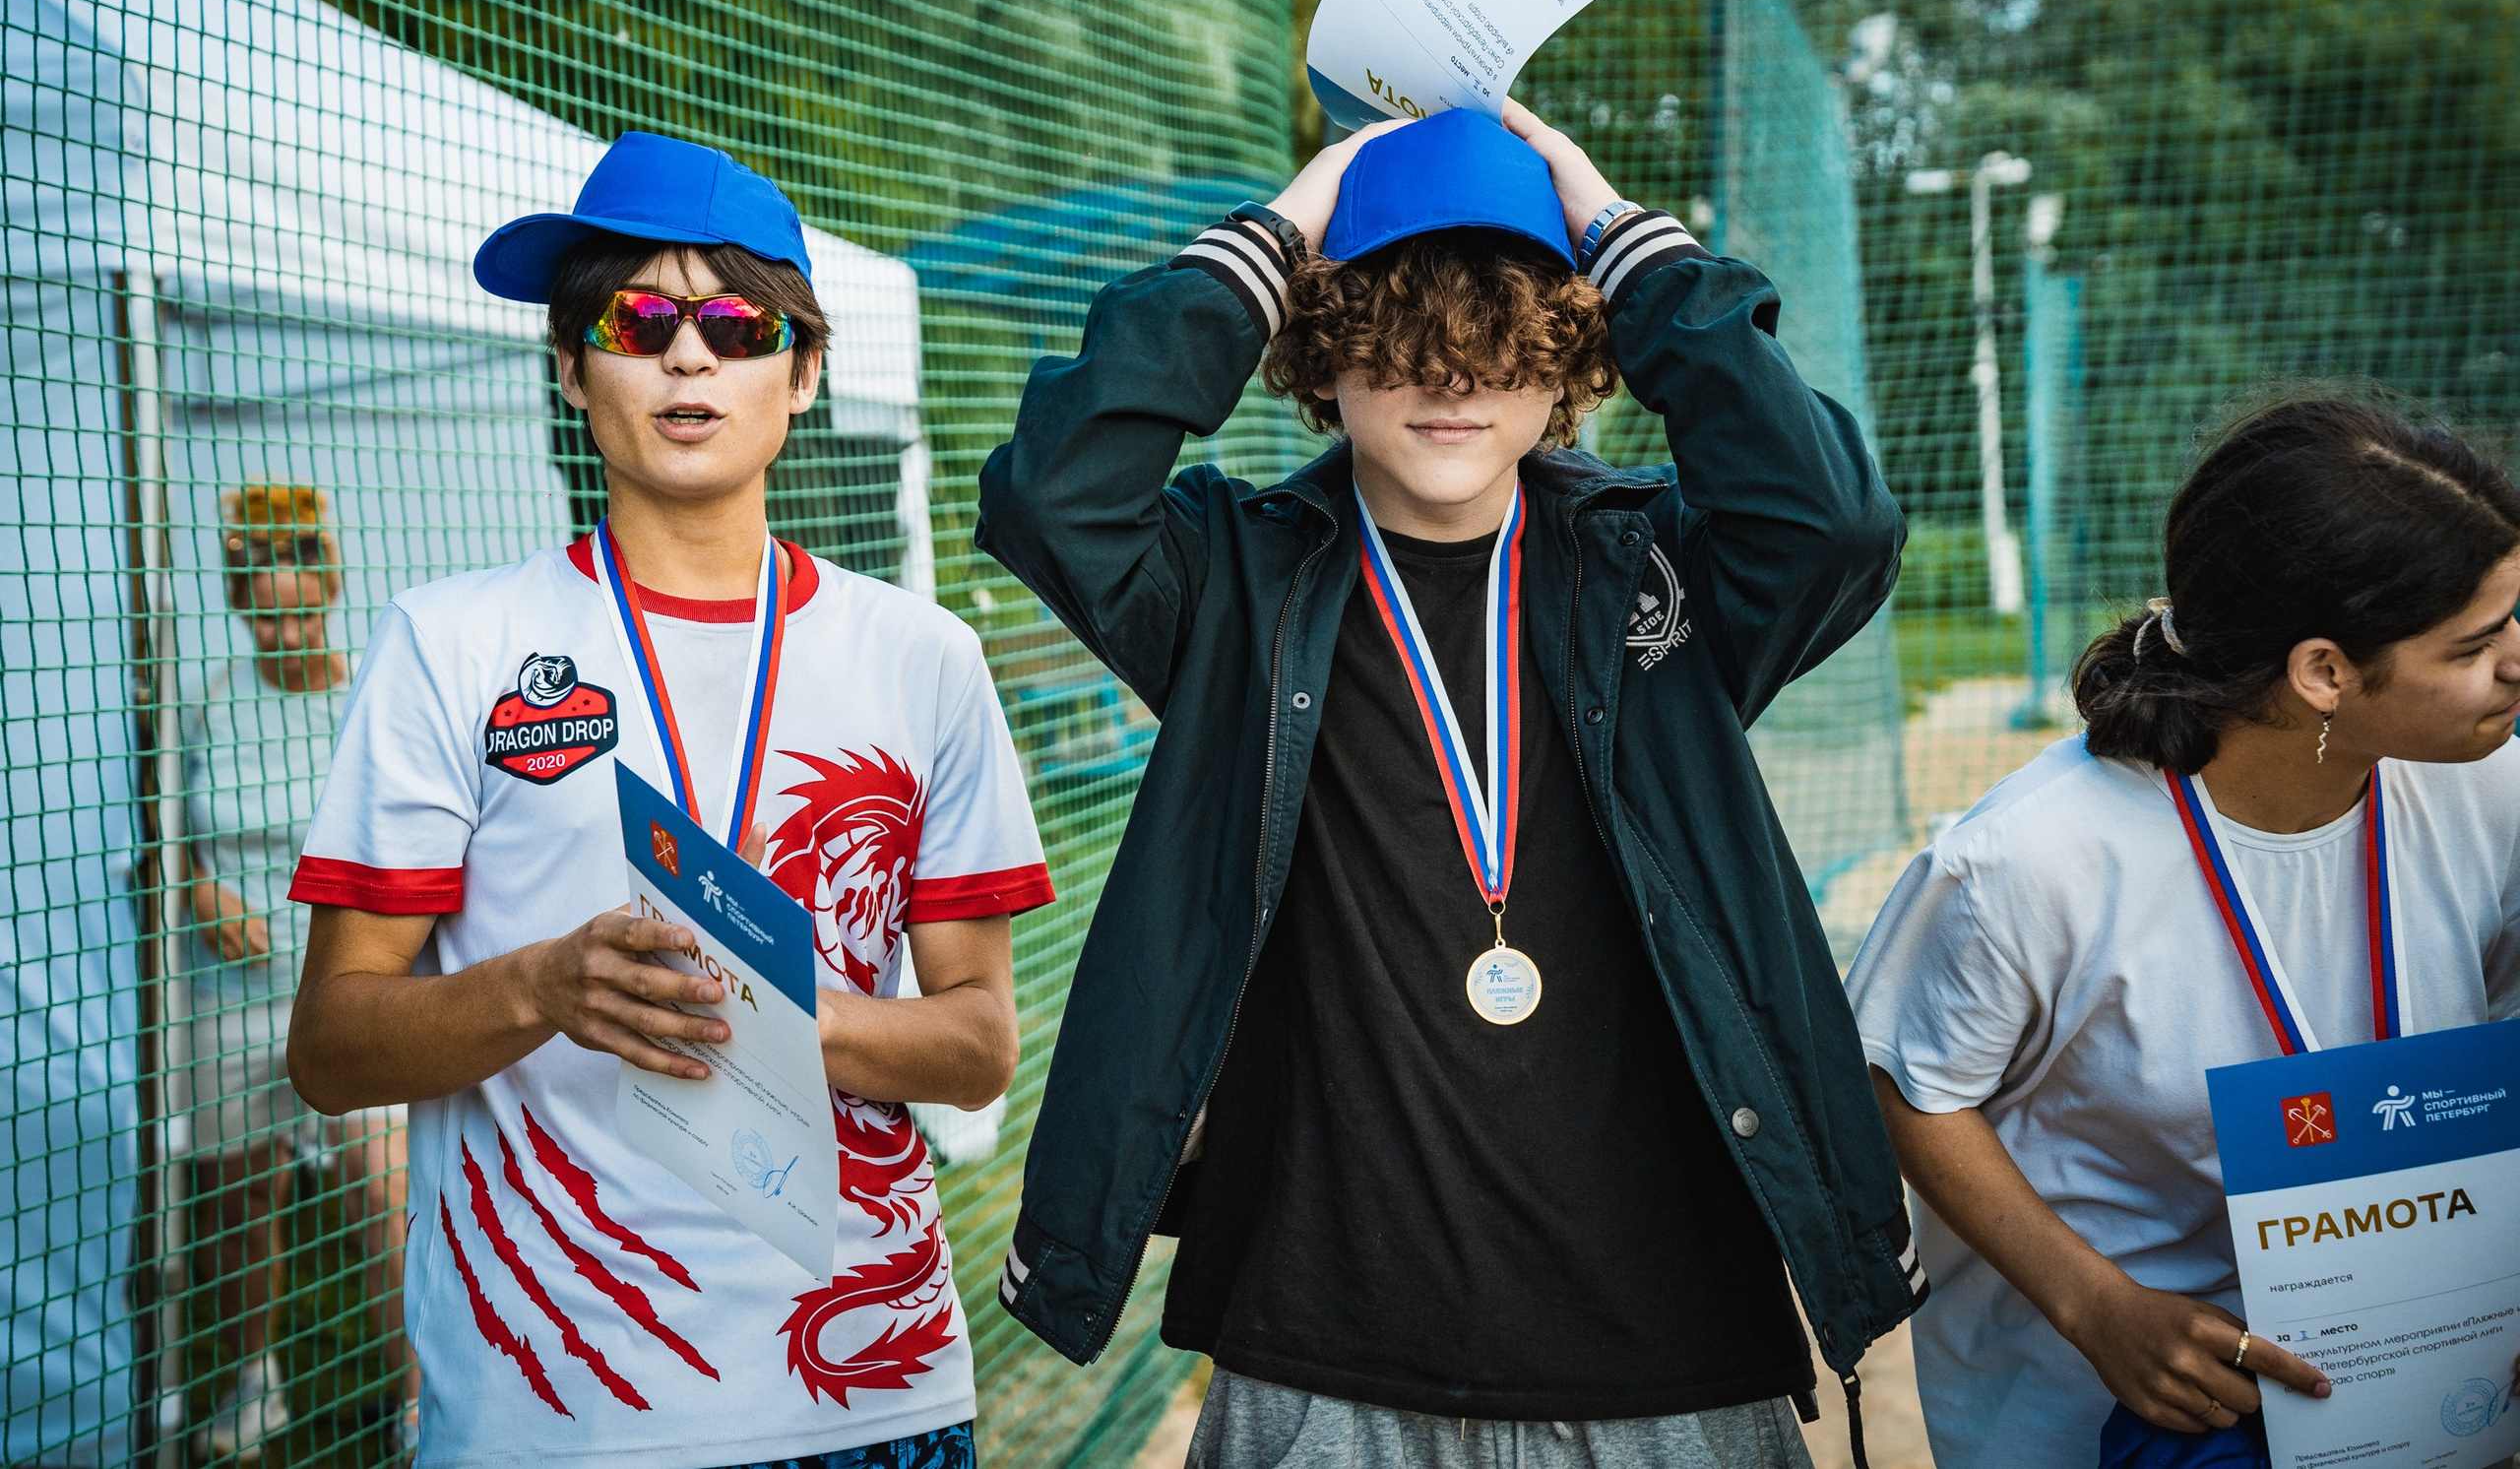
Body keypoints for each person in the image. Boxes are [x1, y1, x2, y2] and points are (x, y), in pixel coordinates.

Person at [977, 103, 1921, 1468]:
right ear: (1317, 351)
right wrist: (1284, 227)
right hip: (1323, 1348)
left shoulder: (1660, 567)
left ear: (1569, 359)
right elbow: (1053, 495)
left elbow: (1833, 516)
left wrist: (1614, 230)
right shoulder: (1230, 577)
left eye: (1504, 337)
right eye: (1394, 335)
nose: (1452, 375)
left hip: (1668, 1350)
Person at [284, 132, 1052, 1469]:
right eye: (634, 317)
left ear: (804, 373)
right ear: (570, 364)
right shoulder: (449, 642)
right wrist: (540, 985)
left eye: (737, 322)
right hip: (555, 1410)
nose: (687, 354)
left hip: (877, 1392)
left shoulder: (922, 653)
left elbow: (982, 1042)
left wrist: (773, 1013)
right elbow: (331, 1045)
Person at [1846, 398, 2520, 1468]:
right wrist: (2096, 1305)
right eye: (2478, 644)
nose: (2516, 662)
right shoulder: (2030, 858)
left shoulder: (2486, 786)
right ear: (2325, 675)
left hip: (2418, 1394)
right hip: (2109, 1423)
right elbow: (1903, 1083)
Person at [173, 482, 417, 1463]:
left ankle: (418, 1399)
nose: (281, 626)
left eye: (297, 605)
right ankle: (251, 1387)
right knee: (239, 1203)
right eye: (261, 609)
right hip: (225, 1003)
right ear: (239, 604)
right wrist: (196, 890)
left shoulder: (375, 698)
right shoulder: (213, 703)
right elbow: (160, 835)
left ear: (330, 587)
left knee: (380, 1189)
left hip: (349, 995)